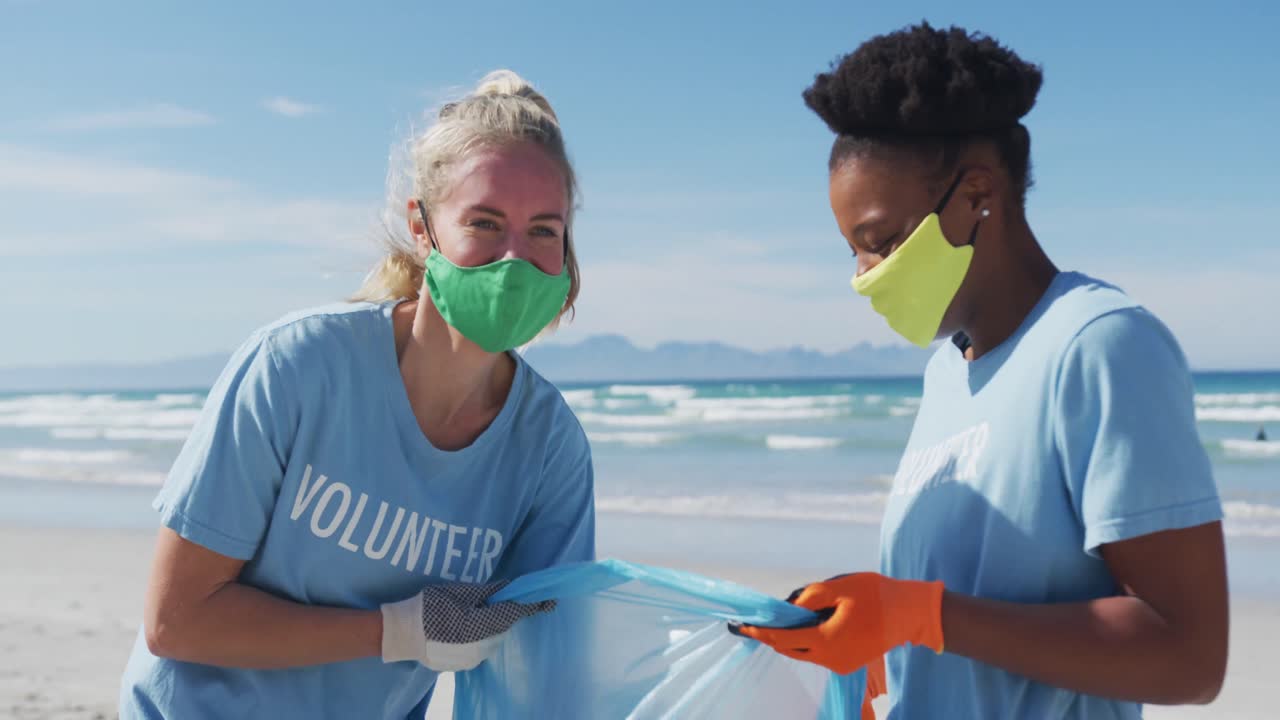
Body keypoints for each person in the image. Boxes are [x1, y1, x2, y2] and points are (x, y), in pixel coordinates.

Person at [735, 23, 1228, 719]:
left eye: (881, 242)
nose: (862, 276)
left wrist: (917, 616)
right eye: (852, 250)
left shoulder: (1101, 345)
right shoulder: (946, 374)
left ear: (976, 195)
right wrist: (882, 644)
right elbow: (960, 618)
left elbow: (1189, 658)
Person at [119, 70, 596, 719]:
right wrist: (398, 631)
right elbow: (176, 620)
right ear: (423, 229)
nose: (514, 260)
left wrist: (722, 642)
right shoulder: (297, 368)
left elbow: (548, 658)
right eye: (485, 223)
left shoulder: (549, 447)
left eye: (543, 230)